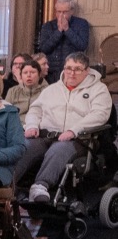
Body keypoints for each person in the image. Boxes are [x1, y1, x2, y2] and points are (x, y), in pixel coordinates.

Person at [16, 51, 114, 203]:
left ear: (87, 70)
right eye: (68, 68)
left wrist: (73, 130)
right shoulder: (52, 89)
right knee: (24, 147)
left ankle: (40, 187)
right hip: (44, 135)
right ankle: (7, 186)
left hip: (78, 139)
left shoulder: (99, 89)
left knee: (58, 150)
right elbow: (35, 110)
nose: (72, 73)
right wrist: (32, 126)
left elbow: (99, 115)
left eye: (77, 69)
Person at [35, 0, 92, 75]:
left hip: (73, 69)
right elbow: (44, 48)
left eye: (65, 12)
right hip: (52, 70)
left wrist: (67, 30)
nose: (61, 15)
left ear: (72, 11)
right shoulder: (48, 26)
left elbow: (82, 46)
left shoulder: (81, 24)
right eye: (59, 12)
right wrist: (59, 31)